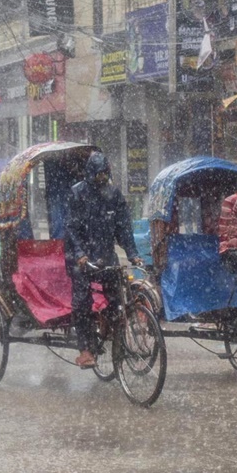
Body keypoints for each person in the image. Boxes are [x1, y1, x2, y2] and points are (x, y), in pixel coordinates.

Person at [65, 152, 142, 369]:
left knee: (117, 298)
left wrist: (133, 252)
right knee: (82, 301)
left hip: (105, 256)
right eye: (98, 174)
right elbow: (71, 228)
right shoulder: (77, 193)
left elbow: (123, 228)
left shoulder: (113, 194)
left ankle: (112, 333)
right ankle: (85, 349)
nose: (102, 178)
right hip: (80, 258)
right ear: (90, 173)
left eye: (104, 174)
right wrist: (80, 254)